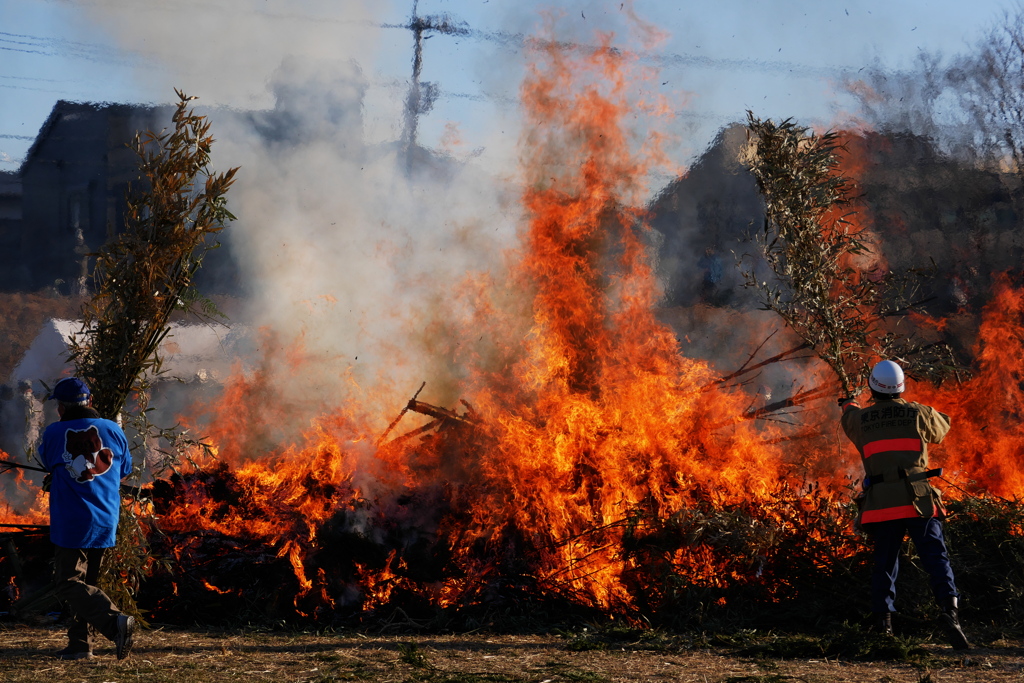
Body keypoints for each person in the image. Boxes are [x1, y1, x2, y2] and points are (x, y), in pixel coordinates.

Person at [839, 360, 970, 650]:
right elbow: (942, 427)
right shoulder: (918, 413)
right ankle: (951, 614)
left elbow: (849, 415)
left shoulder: (861, 420)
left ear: (873, 387)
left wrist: (848, 402)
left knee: (885, 563)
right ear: (900, 387)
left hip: (883, 503)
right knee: (936, 558)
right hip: (918, 499)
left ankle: (883, 624)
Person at [38, 377, 137, 661]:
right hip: (105, 517)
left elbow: (47, 462)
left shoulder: (56, 432)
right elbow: (124, 470)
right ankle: (81, 644)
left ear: (60, 407)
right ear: (90, 401)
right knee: (89, 585)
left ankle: (114, 621)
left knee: (68, 582)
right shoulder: (114, 429)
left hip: (73, 520)